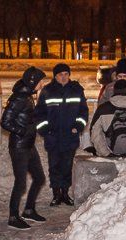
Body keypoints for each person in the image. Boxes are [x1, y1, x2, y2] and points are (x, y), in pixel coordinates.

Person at [33, 63, 88, 207]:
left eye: (65, 74)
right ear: (55, 76)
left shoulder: (77, 90)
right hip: (53, 137)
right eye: (60, 75)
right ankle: (56, 194)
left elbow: (83, 112)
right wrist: (45, 130)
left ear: (69, 75)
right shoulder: (47, 91)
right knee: (54, 166)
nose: (63, 77)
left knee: (67, 166)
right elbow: (39, 114)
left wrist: (78, 126)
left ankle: (65, 193)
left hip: (70, 136)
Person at [1, 67, 48, 230]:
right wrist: (23, 131)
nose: (43, 83)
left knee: (39, 178)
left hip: (29, 145)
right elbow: (5, 121)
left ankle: (29, 210)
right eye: (41, 80)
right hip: (19, 146)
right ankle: (13, 217)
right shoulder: (20, 98)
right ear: (33, 81)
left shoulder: (29, 95)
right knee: (20, 183)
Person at [90, 80, 126, 157]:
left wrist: (106, 153)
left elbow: (95, 132)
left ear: (114, 91)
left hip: (107, 158)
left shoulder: (103, 109)